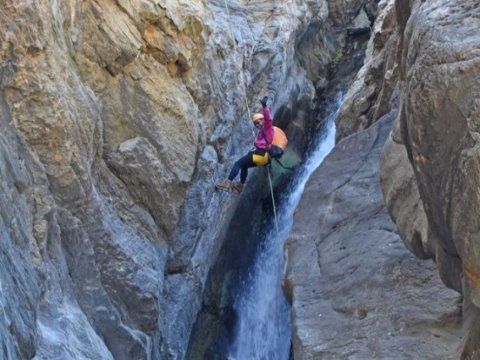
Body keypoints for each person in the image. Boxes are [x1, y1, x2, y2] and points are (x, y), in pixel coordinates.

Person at [216, 96, 273, 193]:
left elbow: (269, 120)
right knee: (244, 166)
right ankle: (240, 186)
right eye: (256, 123)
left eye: (259, 121)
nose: (258, 124)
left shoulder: (267, 128)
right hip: (262, 157)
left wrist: (264, 106)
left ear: (263, 120)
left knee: (237, 164)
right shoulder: (262, 132)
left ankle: (228, 183)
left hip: (260, 154)